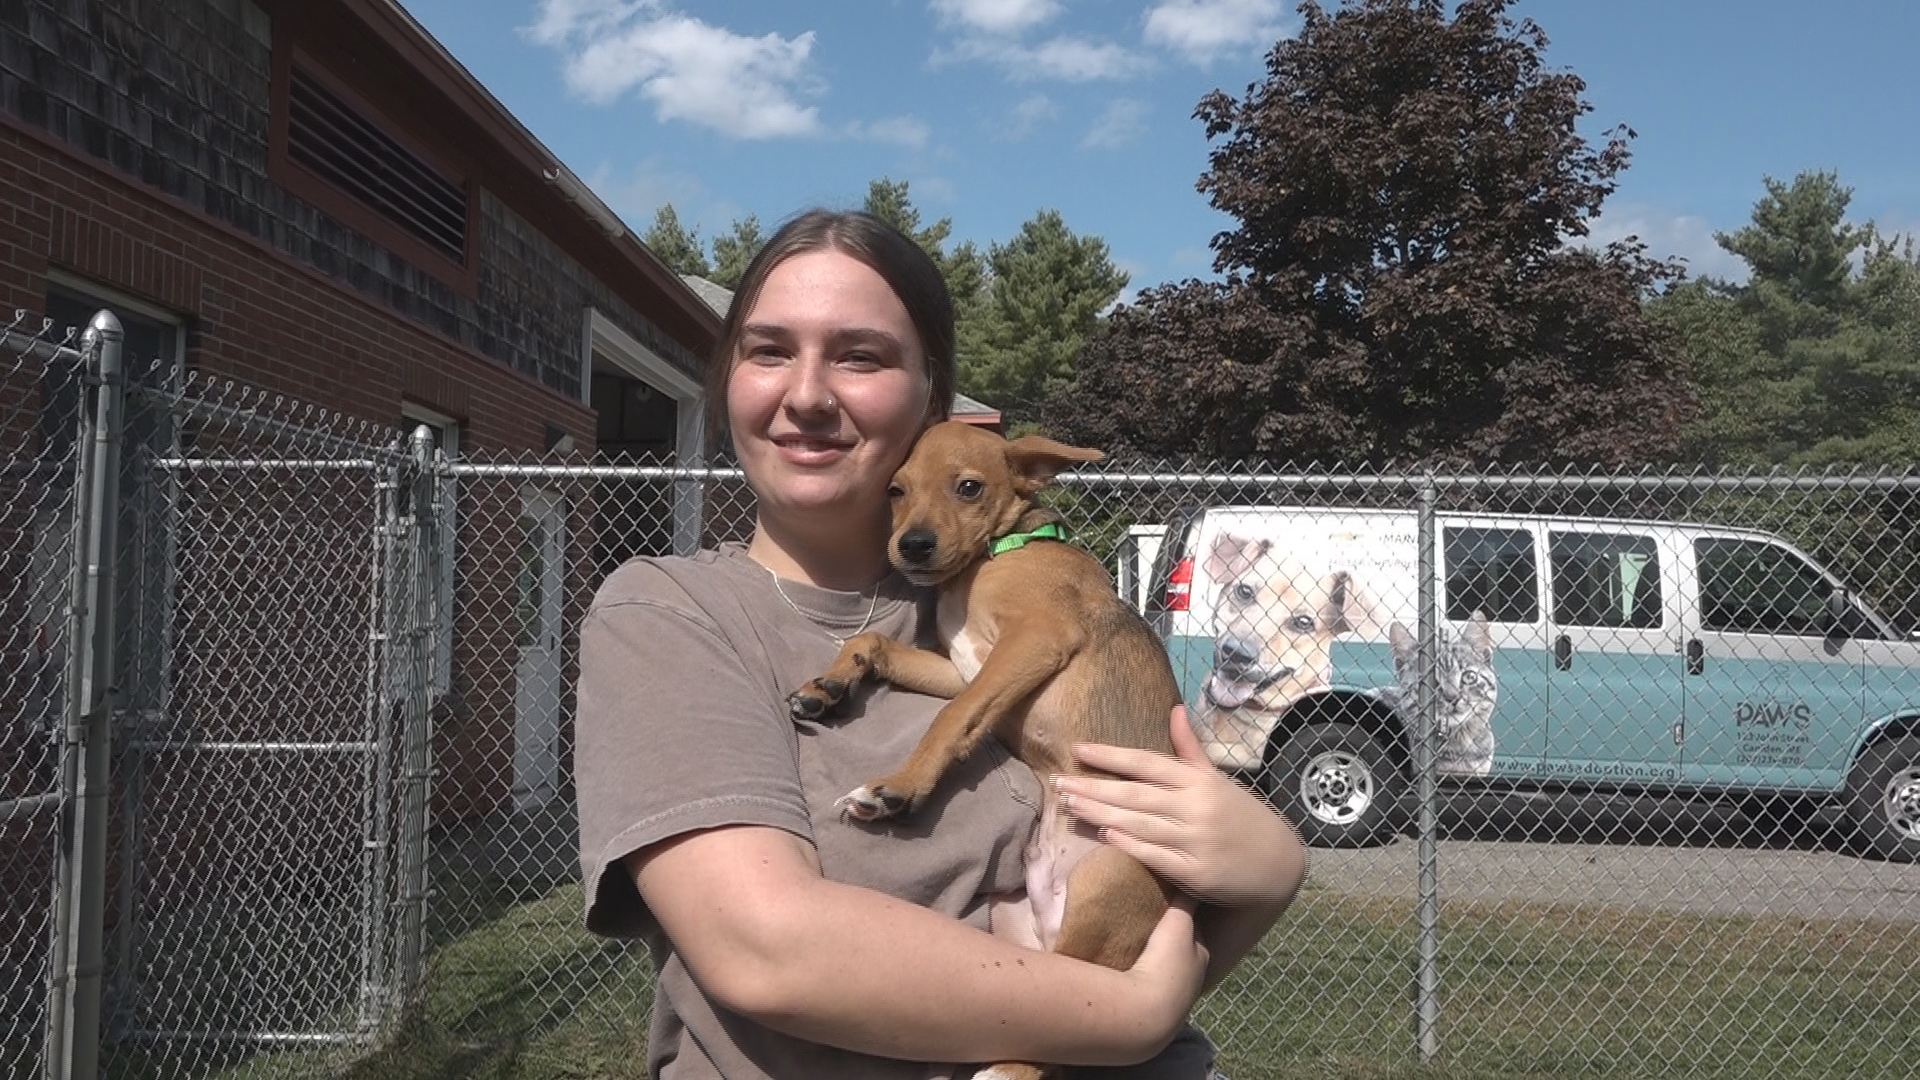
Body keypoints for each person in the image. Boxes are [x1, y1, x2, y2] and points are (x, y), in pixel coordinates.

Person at [576, 209, 1306, 1079]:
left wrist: (1268, 874)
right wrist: (1132, 1016)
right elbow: (766, 950)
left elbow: (1130, 919)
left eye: (859, 355)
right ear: (726, 377)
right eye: (768, 349)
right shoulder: (670, 612)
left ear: (933, 393)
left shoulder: (978, 597)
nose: (807, 393)